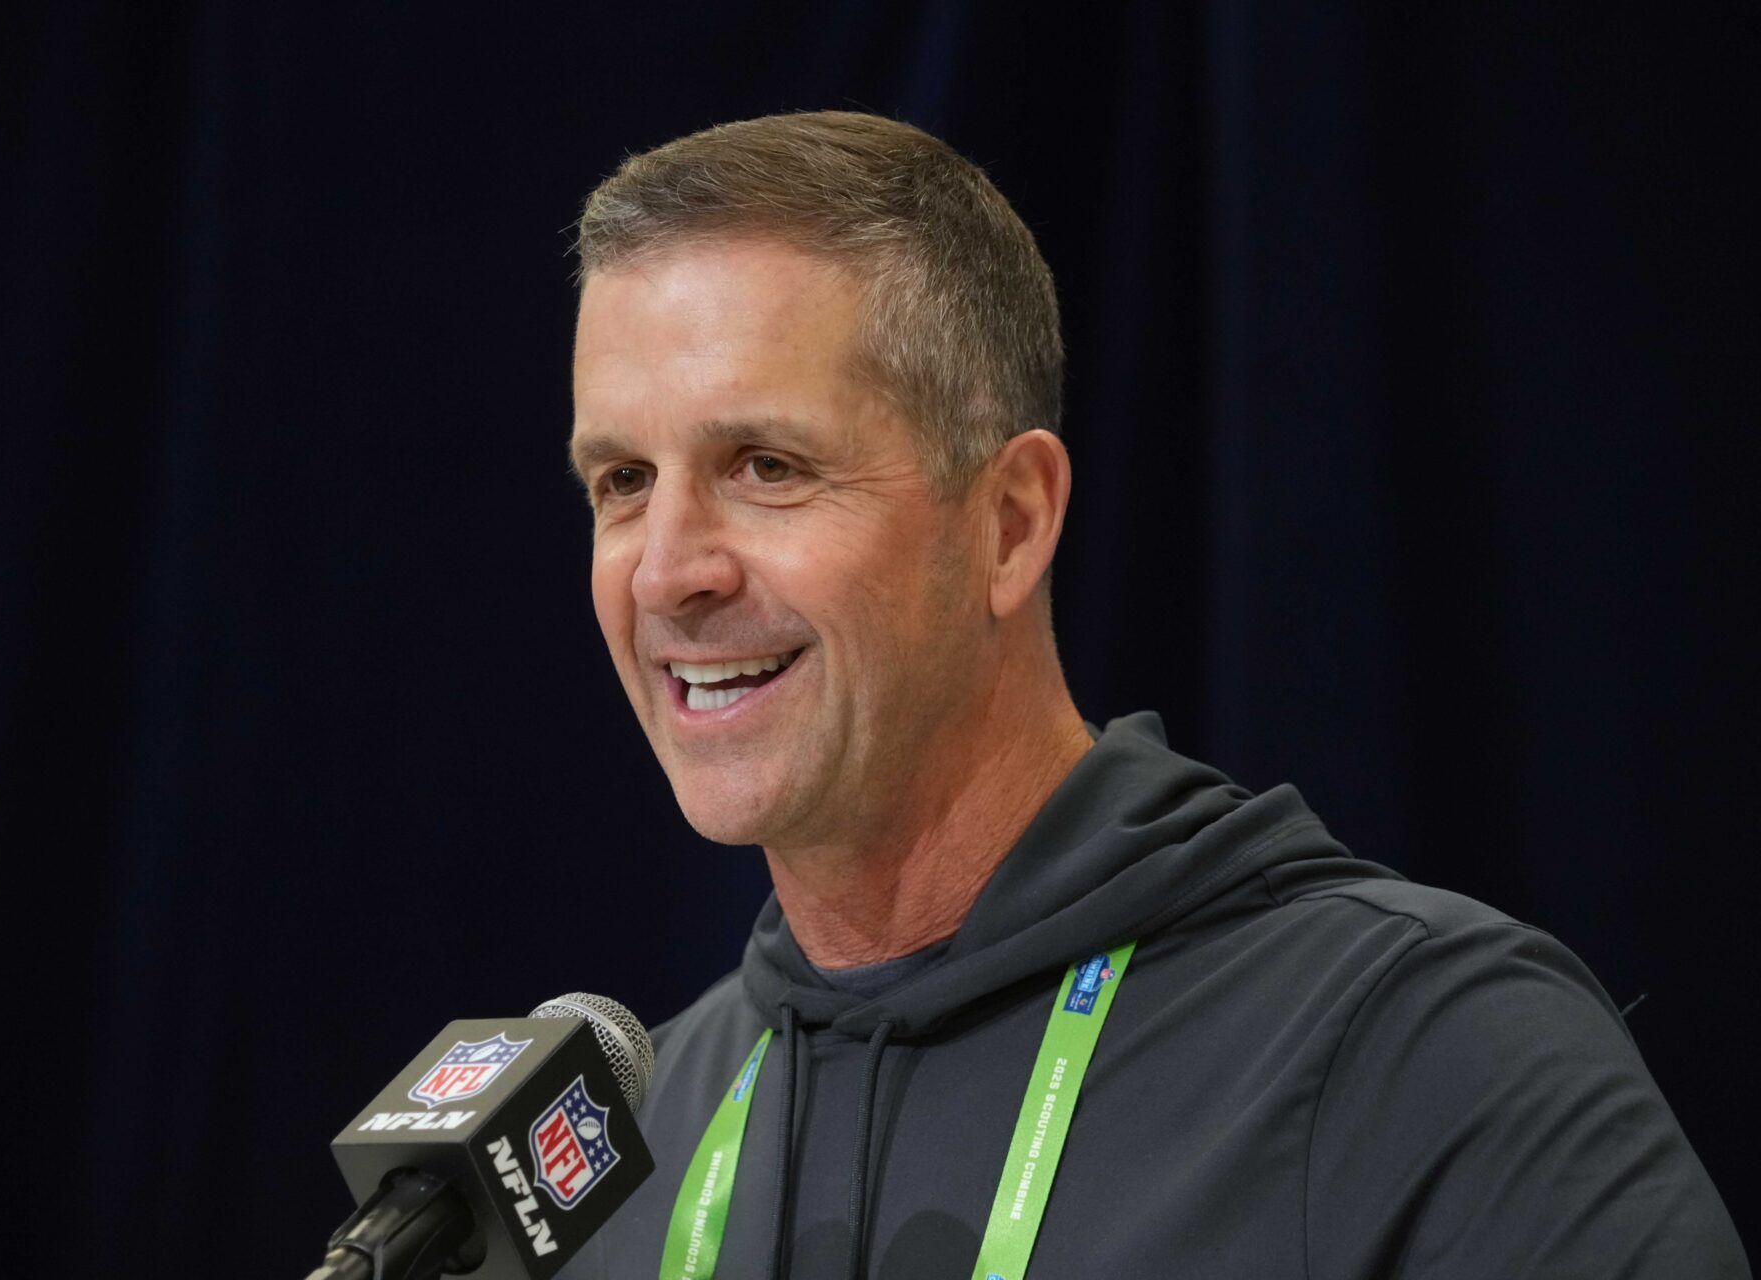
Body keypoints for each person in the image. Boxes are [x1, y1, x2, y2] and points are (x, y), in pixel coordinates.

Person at [559, 111, 1746, 1280]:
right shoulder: (621, 1150)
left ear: (1009, 522)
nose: (667, 569)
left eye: (767, 467)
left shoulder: (1423, 1055)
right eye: (622, 480)